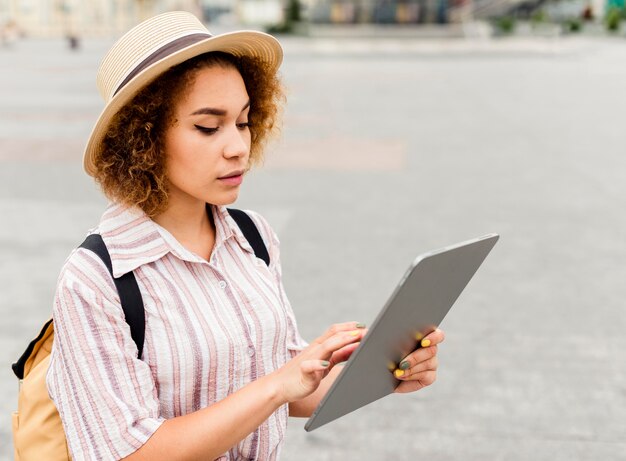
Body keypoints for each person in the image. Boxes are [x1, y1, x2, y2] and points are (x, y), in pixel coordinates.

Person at [46, 11, 445, 461]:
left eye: (243, 122)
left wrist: (388, 368)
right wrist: (276, 385)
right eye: (207, 127)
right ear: (143, 139)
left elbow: (292, 392)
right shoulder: (96, 278)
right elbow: (128, 454)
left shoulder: (252, 238)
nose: (238, 146)